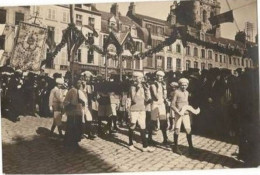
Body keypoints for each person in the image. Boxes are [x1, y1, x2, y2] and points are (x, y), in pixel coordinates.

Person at [128, 72, 155, 152]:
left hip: (142, 108)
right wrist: (139, 89)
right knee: (132, 125)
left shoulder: (143, 87)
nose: (140, 80)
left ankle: (145, 146)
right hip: (134, 109)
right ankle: (130, 144)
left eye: (141, 78)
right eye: (138, 78)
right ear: (134, 78)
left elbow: (147, 99)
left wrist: (147, 90)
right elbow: (134, 99)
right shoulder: (132, 87)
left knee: (143, 126)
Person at [171, 78, 194, 155]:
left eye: (185, 85)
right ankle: (175, 147)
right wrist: (178, 112)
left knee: (188, 130)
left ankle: (191, 147)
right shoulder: (176, 92)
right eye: (182, 85)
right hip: (178, 114)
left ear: (187, 85)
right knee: (177, 129)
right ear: (179, 85)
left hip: (186, 114)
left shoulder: (187, 93)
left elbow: (186, 104)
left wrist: (189, 111)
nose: (184, 87)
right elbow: (172, 105)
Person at [63, 79, 85, 148]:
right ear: (75, 83)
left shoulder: (79, 91)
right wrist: (72, 105)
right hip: (72, 113)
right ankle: (69, 143)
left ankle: (75, 142)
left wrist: (82, 102)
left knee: (77, 128)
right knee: (71, 128)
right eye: (78, 83)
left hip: (78, 112)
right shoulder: (71, 91)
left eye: (80, 83)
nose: (79, 85)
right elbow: (65, 102)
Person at [150, 71, 169, 145]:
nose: (161, 78)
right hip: (155, 103)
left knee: (163, 121)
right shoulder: (153, 84)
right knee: (153, 121)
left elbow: (165, 97)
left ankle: (165, 138)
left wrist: (164, 89)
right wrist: (162, 89)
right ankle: (150, 138)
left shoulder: (163, 85)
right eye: (159, 76)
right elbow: (156, 96)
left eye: (162, 76)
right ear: (156, 76)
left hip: (161, 104)